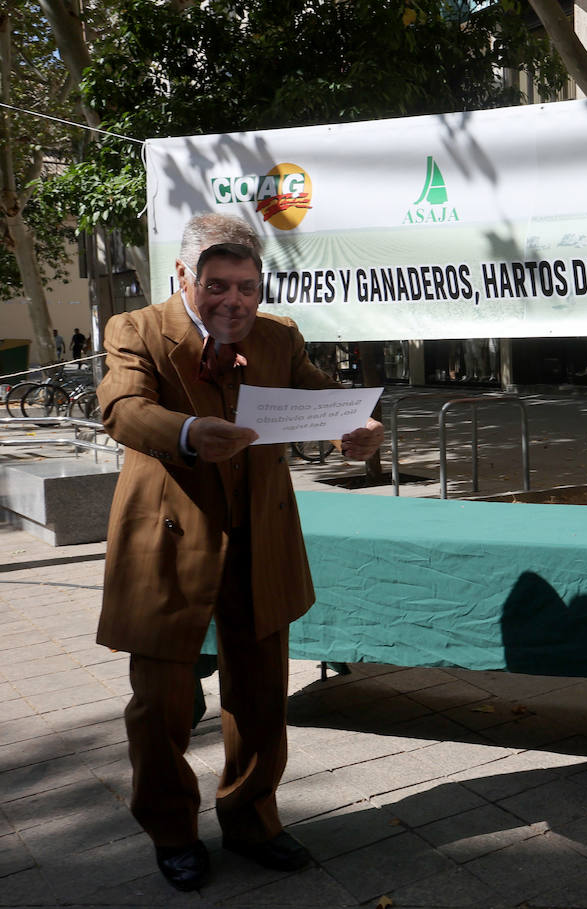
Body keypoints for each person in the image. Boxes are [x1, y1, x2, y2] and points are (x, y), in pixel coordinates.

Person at [96, 214, 384, 892]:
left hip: (261, 538)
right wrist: (189, 431)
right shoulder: (136, 329)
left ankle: (253, 819)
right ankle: (172, 831)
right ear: (183, 276)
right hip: (169, 542)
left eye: (248, 287)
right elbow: (122, 407)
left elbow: (318, 397)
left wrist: (359, 425)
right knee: (161, 705)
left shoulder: (278, 336)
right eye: (217, 285)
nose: (235, 301)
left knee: (259, 696)